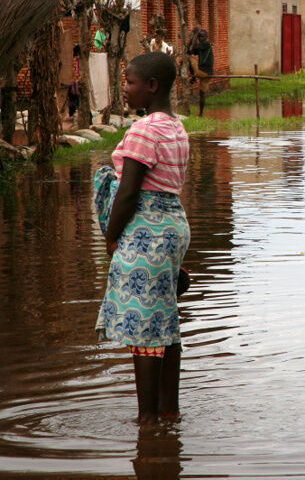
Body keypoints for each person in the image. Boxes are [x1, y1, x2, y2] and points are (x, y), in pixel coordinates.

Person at [93, 52, 190, 424]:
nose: (126, 89)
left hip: (145, 232)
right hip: (172, 228)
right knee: (166, 321)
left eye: (130, 83)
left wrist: (112, 237)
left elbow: (129, 192)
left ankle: (147, 425)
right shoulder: (176, 127)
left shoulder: (144, 130)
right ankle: (170, 412)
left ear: (151, 86)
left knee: (146, 329)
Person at [188, 28, 214, 117]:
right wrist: (191, 39)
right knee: (202, 93)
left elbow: (194, 47)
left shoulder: (206, 44)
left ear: (206, 37)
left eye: (202, 36)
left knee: (189, 58)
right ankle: (201, 114)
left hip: (203, 72)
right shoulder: (202, 47)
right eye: (199, 37)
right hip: (207, 74)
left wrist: (195, 34)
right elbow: (190, 50)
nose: (200, 38)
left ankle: (193, 77)